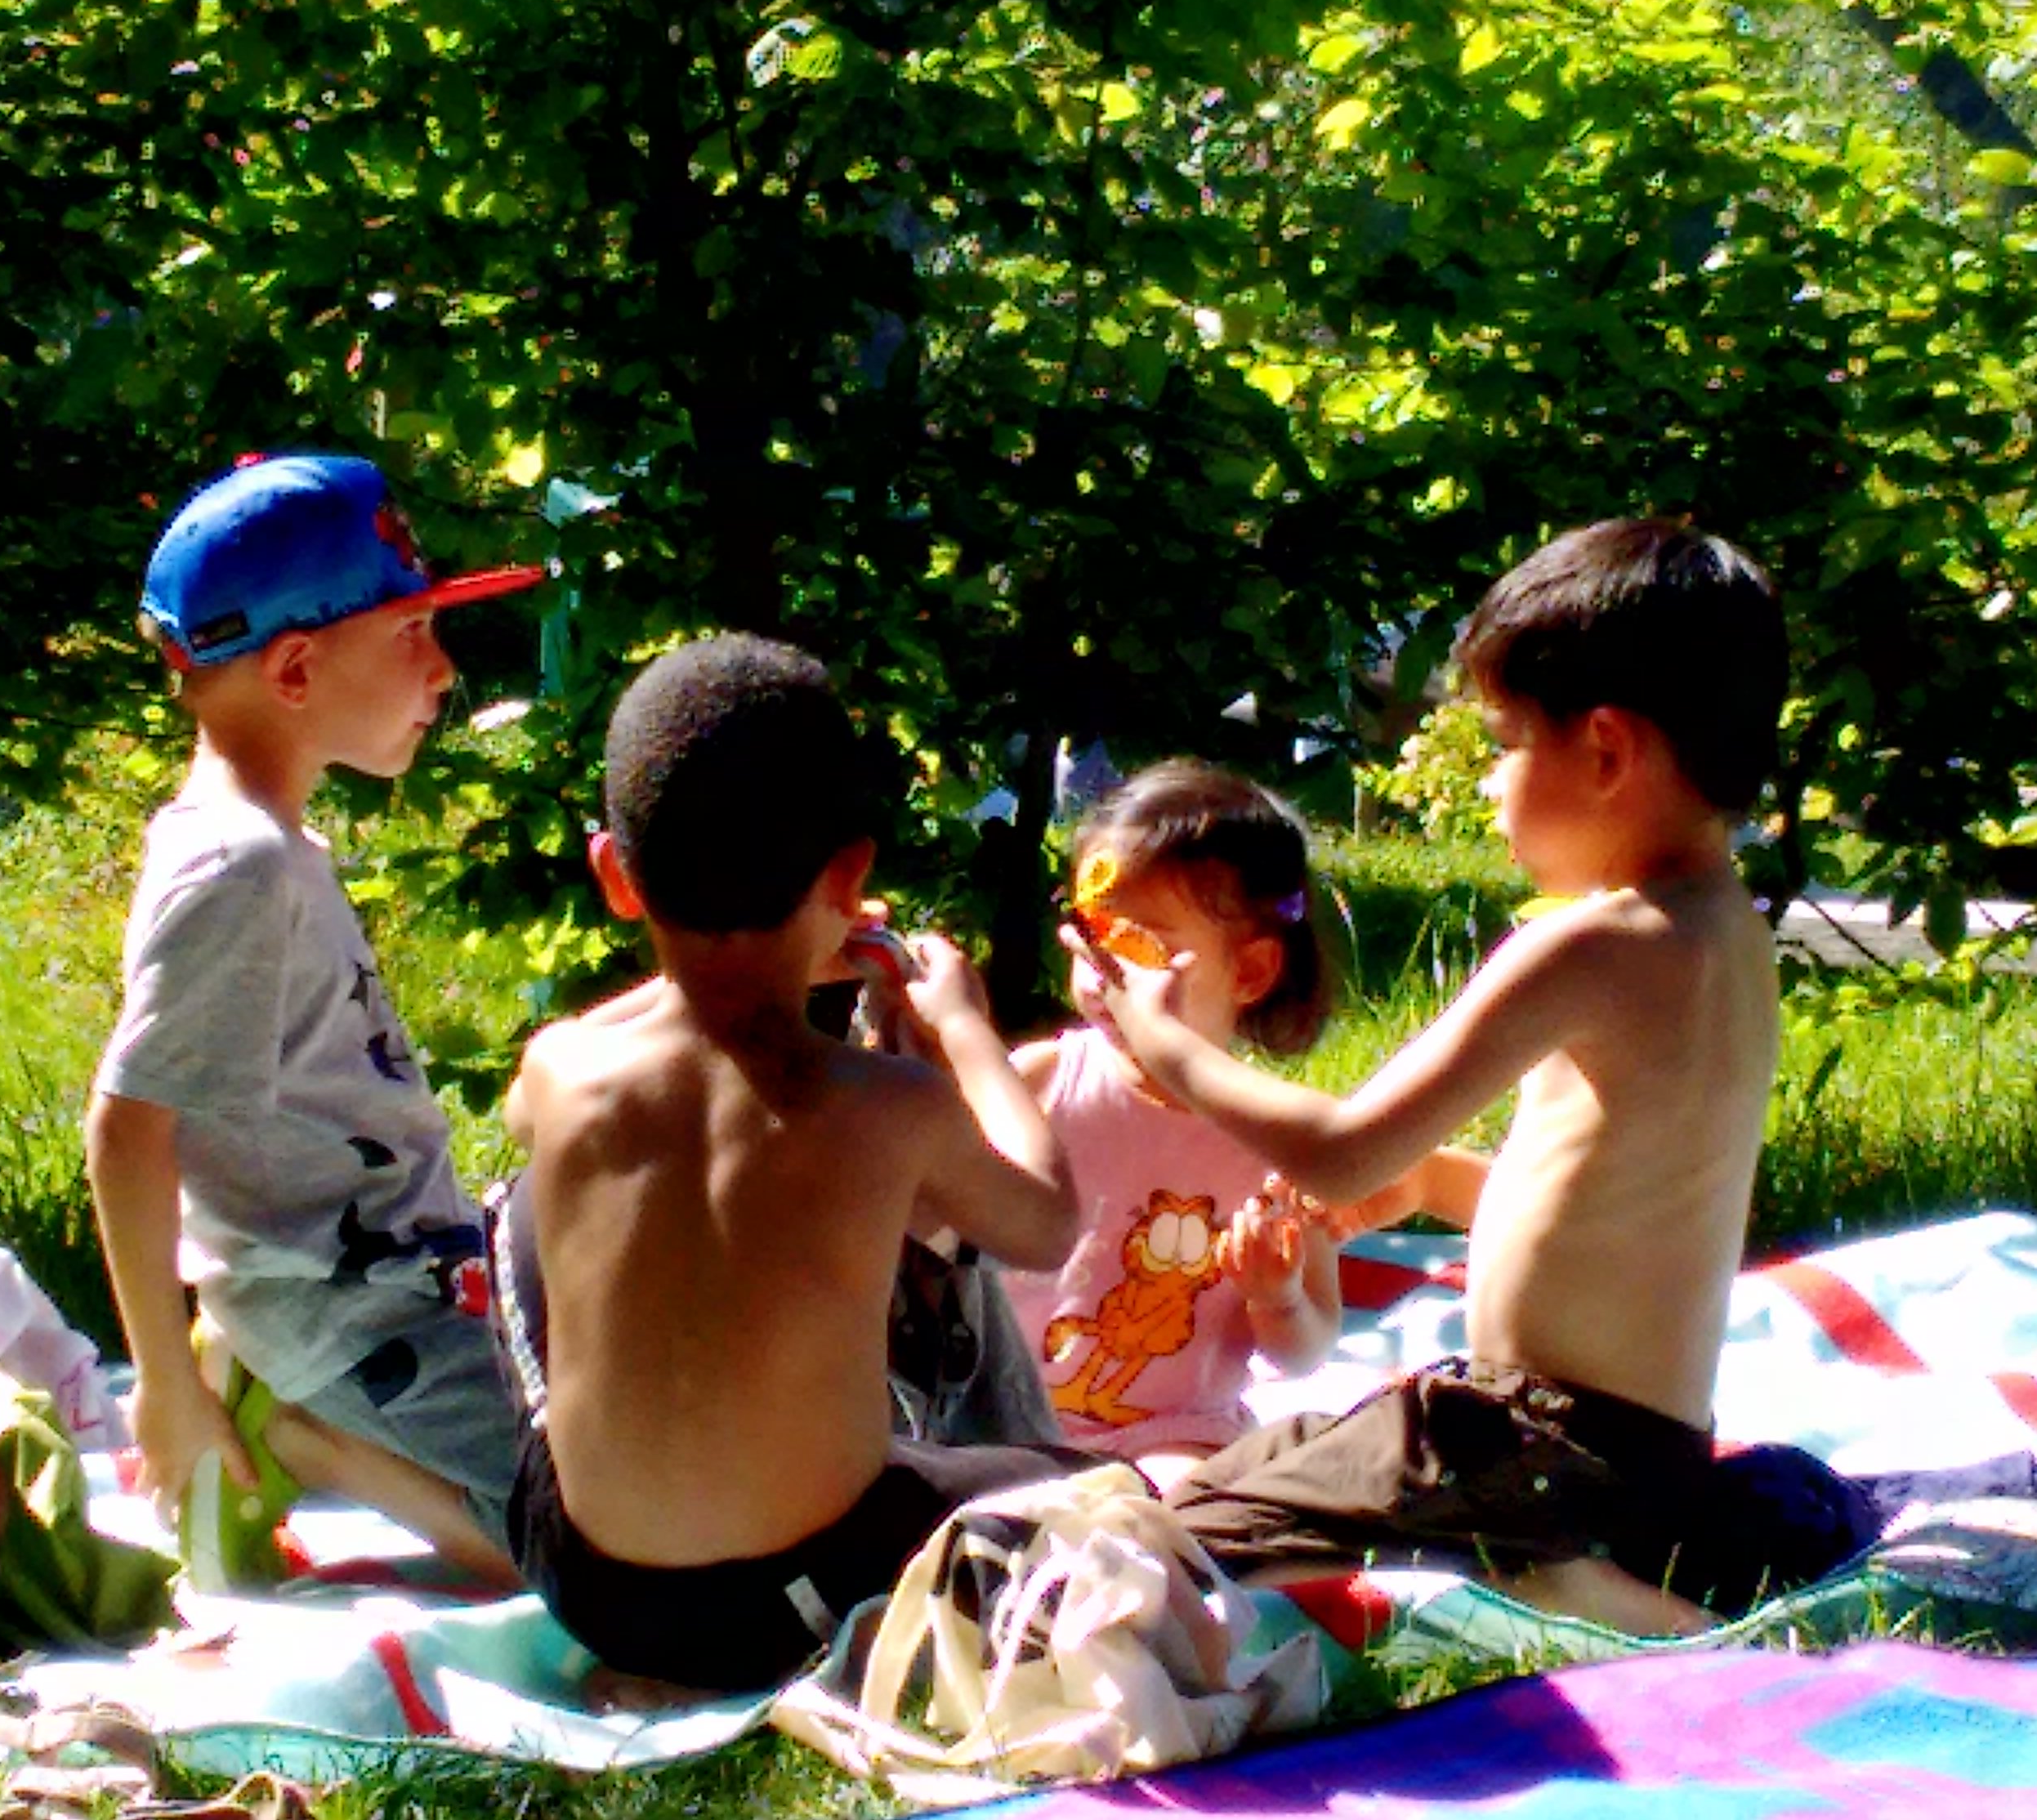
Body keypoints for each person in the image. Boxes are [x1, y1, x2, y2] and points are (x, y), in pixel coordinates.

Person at [1082, 517, 1791, 1635]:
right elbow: (1628, 1200)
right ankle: (1562, 1566)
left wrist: (1159, 1040)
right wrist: (1433, 1185)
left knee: (1160, 1536)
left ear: (1604, 752)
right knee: (1266, 1458)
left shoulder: (1593, 944)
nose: (1494, 785)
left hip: (1532, 1445)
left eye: (1507, 742)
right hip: (1649, 1456)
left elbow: (1339, 1145)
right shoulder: (1727, 939)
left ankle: (1564, 1586)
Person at [497, 633, 1088, 1693]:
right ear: (851, 877)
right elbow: (1046, 1219)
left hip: (586, 1582)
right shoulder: (892, 1106)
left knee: (527, 1208)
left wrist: (719, 983)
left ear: (615, 879)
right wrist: (963, 1031)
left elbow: (610, 1075)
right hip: (798, 1606)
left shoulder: (558, 1070)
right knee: (1089, 1486)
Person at [84, 452, 541, 1593]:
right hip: (347, 1316)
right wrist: (163, 1384)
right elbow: (128, 1128)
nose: (443, 672)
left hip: (409, 1285)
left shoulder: (267, 847)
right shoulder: (237, 867)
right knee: (601, 1559)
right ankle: (306, 1433)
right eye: (412, 635)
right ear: (294, 668)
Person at [1000, 761, 1346, 1487]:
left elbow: (1309, 1350)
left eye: (1141, 948)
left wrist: (1275, 1295)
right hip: (1005, 1420)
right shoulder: (1040, 1080)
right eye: (1093, 939)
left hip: (1173, 1432)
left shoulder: (1274, 1141)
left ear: (1249, 973)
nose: (1102, 976)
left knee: (1179, 1501)